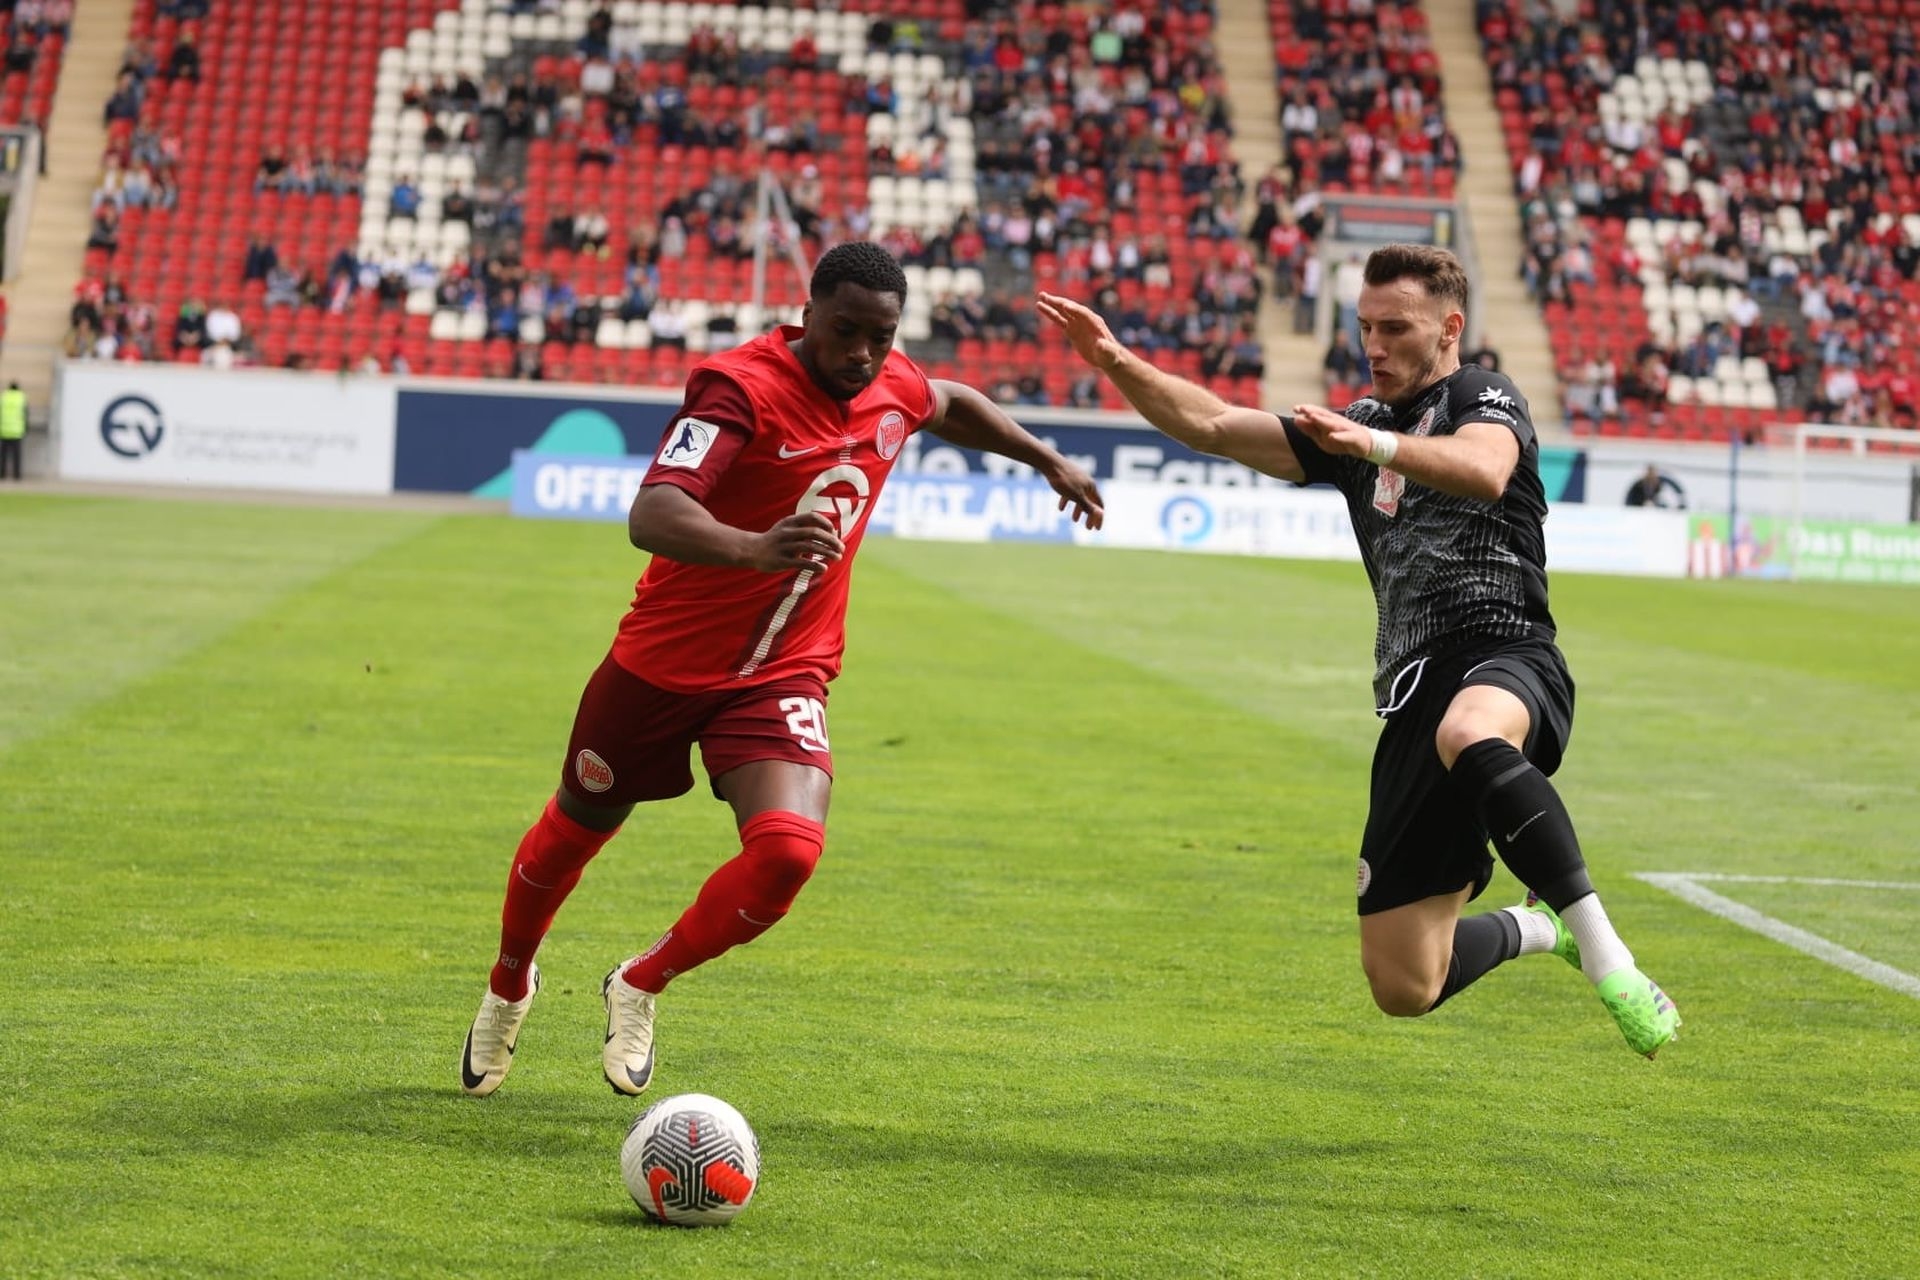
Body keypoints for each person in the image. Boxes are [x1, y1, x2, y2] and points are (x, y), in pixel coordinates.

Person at [460, 242, 1105, 1098]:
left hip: (782, 674)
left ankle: (640, 982)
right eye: (846, 332)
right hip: (661, 666)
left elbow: (949, 401)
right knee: (575, 831)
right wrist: (752, 548)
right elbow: (653, 511)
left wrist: (1046, 458)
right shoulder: (739, 389)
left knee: (788, 854)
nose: (863, 354)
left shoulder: (892, 384)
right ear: (808, 316)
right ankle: (510, 984)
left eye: (881, 337)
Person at [1037, 243, 1680, 1058]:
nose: (1374, 345)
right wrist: (1114, 360)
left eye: (1395, 328)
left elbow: (1484, 469)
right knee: (1405, 984)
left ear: (1449, 328)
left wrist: (1368, 447)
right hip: (1411, 694)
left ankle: (1607, 956)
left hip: (1506, 652)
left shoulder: (1481, 394)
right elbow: (1213, 425)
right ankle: (1538, 926)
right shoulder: (1360, 425)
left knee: (1469, 731)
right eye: (1365, 326)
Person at [0, 380, 25, 480]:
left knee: (3, 456)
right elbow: (25, 414)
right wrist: (25, 429)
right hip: (17, 432)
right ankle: (16, 475)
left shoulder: (4, 397)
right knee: (16, 456)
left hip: (4, 431)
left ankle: (2, 474)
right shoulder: (21, 397)